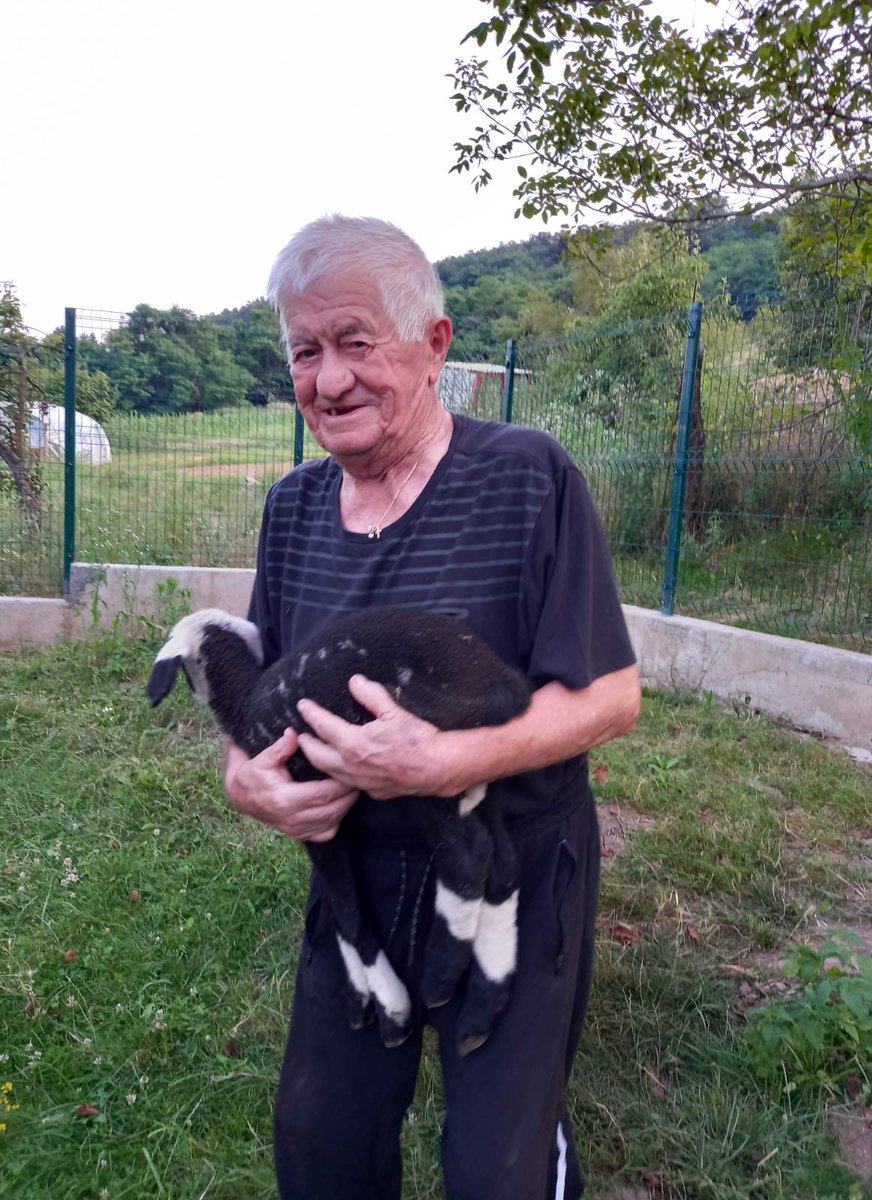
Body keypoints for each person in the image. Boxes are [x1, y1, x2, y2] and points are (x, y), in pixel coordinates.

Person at [223, 215, 641, 1200]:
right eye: (306, 351)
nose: (329, 380)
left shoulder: (525, 476)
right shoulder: (290, 513)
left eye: (357, 343)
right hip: (357, 893)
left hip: (514, 874)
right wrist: (250, 788)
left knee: (499, 1168)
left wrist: (455, 762)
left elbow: (614, 696)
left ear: (435, 346)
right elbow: (249, 729)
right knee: (321, 1152)